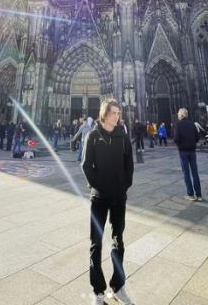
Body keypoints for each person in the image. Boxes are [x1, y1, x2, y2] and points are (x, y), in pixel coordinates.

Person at [81, 98, 135, 305]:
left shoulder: (123, 136)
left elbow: (129, 162)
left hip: (119, 196)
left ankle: (117, 286)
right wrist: (98, 185)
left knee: (118, 241)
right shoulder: (93, 136)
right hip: (99, 197)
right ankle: (98, 291)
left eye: (119, 113)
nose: (117, 116)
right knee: (96, 243)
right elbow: (86, 165)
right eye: (114, 113)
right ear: (105, 114)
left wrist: (125, 183)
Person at [173, 108, 203, 201]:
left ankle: (190, 195)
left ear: (181, 115)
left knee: (186, 173)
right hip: (192, 150)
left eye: (178, 114)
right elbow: (197, 138)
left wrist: (179, 144)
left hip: (183, 151)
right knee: (195, 172)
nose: (177, 115)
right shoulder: (192, 124)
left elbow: (176, 138)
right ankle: (199, 195)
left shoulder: (178, 124)